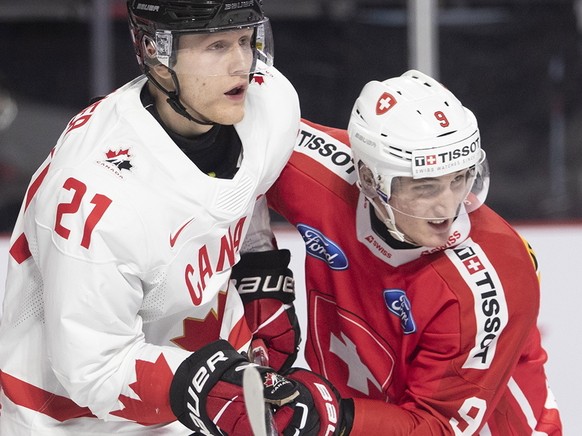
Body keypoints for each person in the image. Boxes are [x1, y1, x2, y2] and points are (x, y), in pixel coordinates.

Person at [0, 1, 337, 434]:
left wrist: (258, 269)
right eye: (216, 46)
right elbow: (94, 368)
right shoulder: (103, 198)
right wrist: (209, 390)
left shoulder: (269, 104)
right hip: (78, 417)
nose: (242, 65)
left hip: (199, 375)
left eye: (244, 39)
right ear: (156, 54)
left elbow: (241, 188)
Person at [243, 70, 563, 434]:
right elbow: (238, 128)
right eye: (425, 187)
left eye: (458, 179)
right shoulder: (324, 177)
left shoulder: (487, 280)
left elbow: (435, 427)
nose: (447, 208)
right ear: (368, 178)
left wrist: (329, 417)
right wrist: (256, 265)